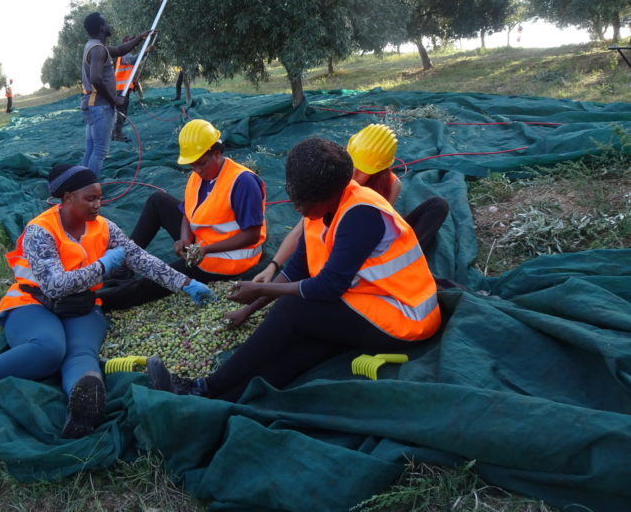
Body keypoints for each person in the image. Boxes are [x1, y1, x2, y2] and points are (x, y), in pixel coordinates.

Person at [0, 164, 216, 437]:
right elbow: (54, 286)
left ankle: (83, 401)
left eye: (99, 197)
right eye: (90, 198)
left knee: (81, 352)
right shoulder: (40, 231)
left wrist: (186, 283)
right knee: (49, 348)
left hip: (81, 306)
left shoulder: (104, 227)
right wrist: (102, 267)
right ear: (67, 197)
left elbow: (140, 259)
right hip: (33, 303)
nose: (99, 204)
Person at [147, 137, 441, 402]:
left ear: (328, 194)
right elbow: (297, 269)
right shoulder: (323, 209)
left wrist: (262, 288)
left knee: (292, 310)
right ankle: (221, 398)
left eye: (303, 203)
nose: (297, 209)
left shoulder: (361, 214)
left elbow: (327, 287)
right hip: (368, 299)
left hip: (405, 317)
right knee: (305, 347)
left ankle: (201, 386)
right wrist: (249, 309)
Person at [248, 124, 448, 292]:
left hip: (370, 242)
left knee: (437, 206)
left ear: (380, 170)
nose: (354, 173)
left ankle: (407, 263)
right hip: (342, 244)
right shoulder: (336, 182)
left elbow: (380, 227)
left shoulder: (392, 185)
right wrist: (273, 266)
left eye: (362, 171)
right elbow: (302, 230)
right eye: (353, 165)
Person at [98, 119, 267, 310]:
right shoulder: (198, 176)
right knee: (158, 201)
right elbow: (188, 212)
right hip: (201, 245)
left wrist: (204, 250)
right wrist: (185, 239)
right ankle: (126, 262)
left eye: (201, 164)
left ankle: (97, 303)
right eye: (192, 165)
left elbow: (252, 236)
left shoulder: (242, 182)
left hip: (227, 260)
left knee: (155, 280)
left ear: (217, 154)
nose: (197, 170)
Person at [80, 12, 149, 177]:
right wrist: (114, 99)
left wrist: (140, 38)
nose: (108, 24)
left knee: (91, 149)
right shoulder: (97, 50)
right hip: (100, 106)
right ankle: (89, 190)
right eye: (106, 22)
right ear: (102, 27)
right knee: (100, 151)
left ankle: (80, 185)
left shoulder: (93, 46)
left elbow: (119, 50)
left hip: (91, 105)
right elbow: (96, 78)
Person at [111, 36, 145, 142]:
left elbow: (128, 72)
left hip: (124, 89)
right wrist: (144, 52)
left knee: (123, 113)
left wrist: (133, 83)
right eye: (130, 42)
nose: (132, 45)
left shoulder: (126, 54)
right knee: (121, 113)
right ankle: (117, 135)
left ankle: (115, 134)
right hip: (120, 89)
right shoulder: (124, 54)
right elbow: (133, 60)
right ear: (126, 43)